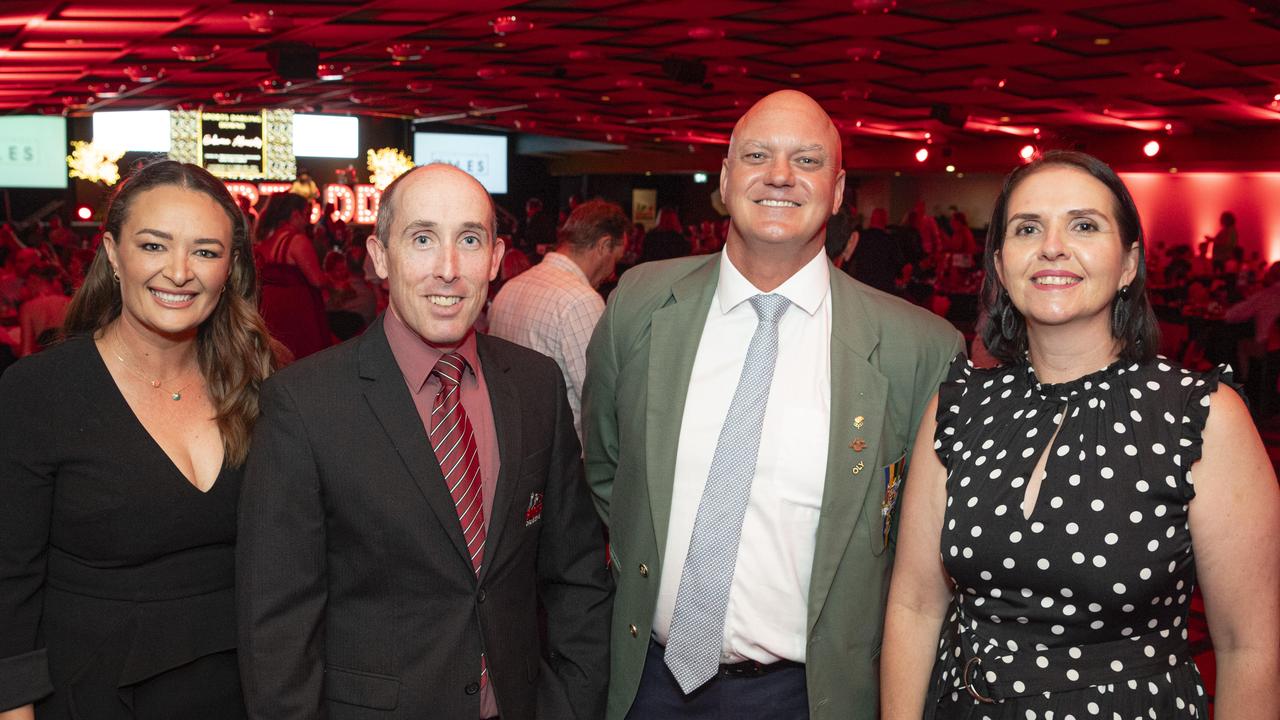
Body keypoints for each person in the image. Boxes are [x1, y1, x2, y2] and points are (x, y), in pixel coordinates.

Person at [583, 89, 963, 720]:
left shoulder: (917, 348)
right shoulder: (641, 306)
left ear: (838, 191)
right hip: (646, 681)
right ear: (727, 179)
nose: (780, 176)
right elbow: (605, 468)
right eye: (757, 155)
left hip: (810, 696)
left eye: (807, 161)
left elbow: (922, 554)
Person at [881, 151, 1280, 719]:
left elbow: (1249, 648)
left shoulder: (1202, 416)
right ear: (999, 264)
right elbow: (916, 606)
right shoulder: (958, 406)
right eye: (1027, 229)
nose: (1052, 247)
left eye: (1084, 225)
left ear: (1127, 264)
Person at [237, 163, 613, 720]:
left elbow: (577, 572)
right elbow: (278, 626)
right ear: (380, 256)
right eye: (421, 239)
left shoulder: (535, 384)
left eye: (468, 239)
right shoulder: (305, 405)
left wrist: (571, 703)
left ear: (495, 258)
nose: (448, 269)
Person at [0, 159, 277, 719]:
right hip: (93, 694)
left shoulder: (261, 387)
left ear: (231, 268)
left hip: (242, 692)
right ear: (111, 253)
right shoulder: (40, 391)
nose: (179, 272)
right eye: (154, 245)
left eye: (205, 251)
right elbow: (9, 581)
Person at [489, 199, 628, 444]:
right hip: (563, 459)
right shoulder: (581, 301)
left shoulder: (510, 288)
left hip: (512, 445)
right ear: (604, 245)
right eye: (615, 259)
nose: (612, 273)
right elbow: (602, 400)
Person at [255, 192, 329, 360]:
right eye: (307, 215)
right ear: (296, 214)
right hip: (296, 309)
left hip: (268, 307)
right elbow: (317, 280)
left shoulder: (266, 240)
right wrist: (331, 279)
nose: (308, 220)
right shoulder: (297, 240)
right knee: (301, 360)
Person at [16, 264, 68, 357]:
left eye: (26, 284)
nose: (26, 289)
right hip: (69, 357)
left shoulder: (28, 307)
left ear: (34, 280)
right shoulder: (69, 302)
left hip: (44, 361)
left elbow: (26, 351)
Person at [849, 207, 904, 294]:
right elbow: (899, 265)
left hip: (863, 288)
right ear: (885, 220)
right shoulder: (890, 240)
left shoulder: (860, 238)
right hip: (884, 291)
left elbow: (849, 261)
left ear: (871, 219)